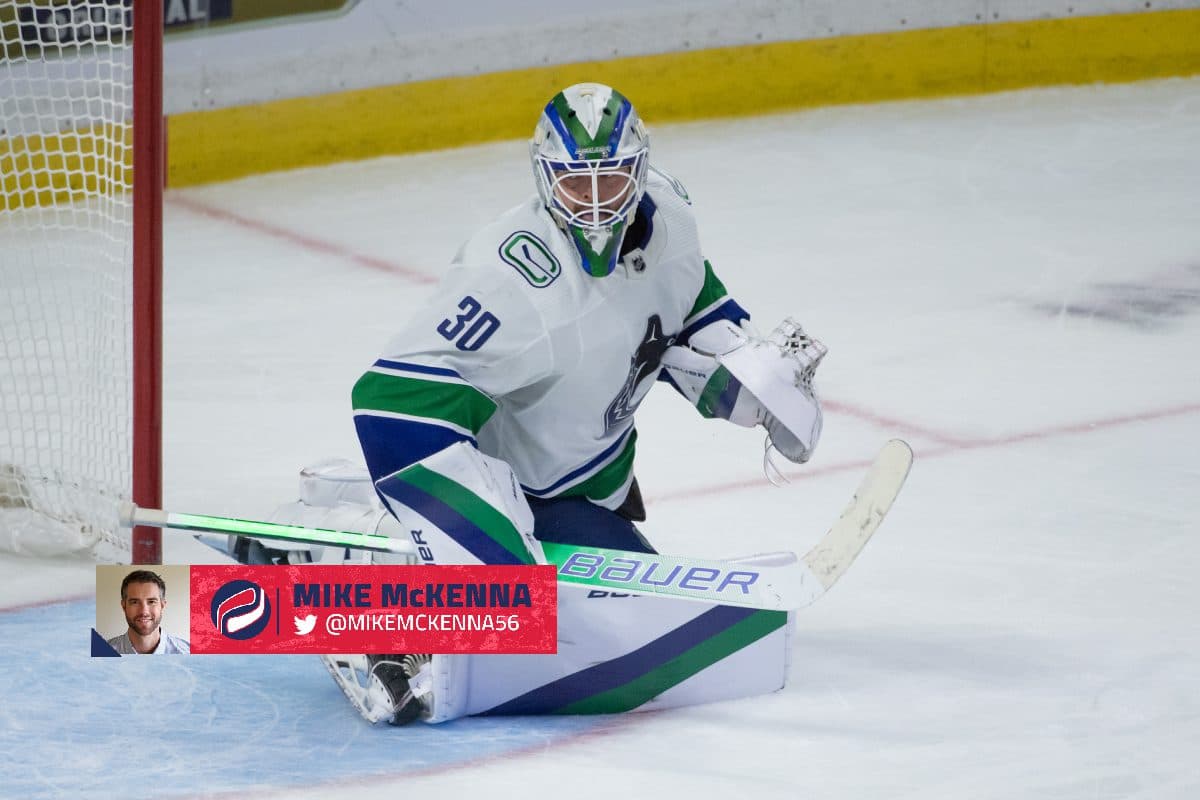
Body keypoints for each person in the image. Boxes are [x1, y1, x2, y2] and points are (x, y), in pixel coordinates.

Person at [255, 83, 826, 724]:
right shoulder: (513, 279)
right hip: (522, 496)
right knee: (578, 619)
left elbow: (682, 313)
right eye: (574, 186)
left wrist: (750, 383)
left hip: (587, 483)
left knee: (624, 609)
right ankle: (348, 546)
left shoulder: (672, 222)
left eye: (610, 182)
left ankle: (367, 515)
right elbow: (392, 403)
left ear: (641, 173)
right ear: (543, 178)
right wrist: (494, 558)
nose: (595, 205)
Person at [106, 569, 190, 655]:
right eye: (135, 602)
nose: (144, 611)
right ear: (124, 606)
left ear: (162, 605)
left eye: (151, 602)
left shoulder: (189, 653)